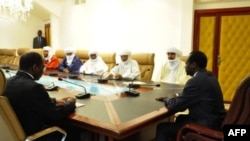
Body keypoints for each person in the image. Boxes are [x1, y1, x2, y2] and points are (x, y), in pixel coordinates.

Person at [3, 52, 82, 141]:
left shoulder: (7, 82)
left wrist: (54, 100)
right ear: (35, 67)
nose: (43, 70)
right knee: (73, 129)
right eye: (42, 67)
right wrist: (70, 103)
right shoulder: (34, 87)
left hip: (14, 132)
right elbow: (54, 115)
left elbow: (26, 100)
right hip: (34, 134)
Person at [155, 51, 226, 141]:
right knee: (180, 118)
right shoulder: (209, 76)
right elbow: (193, 95)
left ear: (193, 65)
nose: (185, 66)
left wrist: (169, 98)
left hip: (206, 124)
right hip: (215, 120)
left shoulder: (195, 81)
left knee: (162, 128)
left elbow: (176, 106)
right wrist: (177, 95)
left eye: (186, 63)